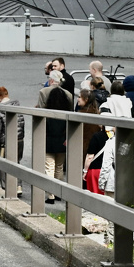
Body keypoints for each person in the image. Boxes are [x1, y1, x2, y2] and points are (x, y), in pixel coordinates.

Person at [35, 69, 73, 204]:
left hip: (49, 132)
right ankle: (58, 192)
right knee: (59, 166)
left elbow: (40, 112)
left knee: (49, 165)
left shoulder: (43, 92)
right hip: (63, 133)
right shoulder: (68, 94)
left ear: (51, 80)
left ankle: (50, 194)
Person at [98, 78, 134, 194]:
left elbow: (104, 123)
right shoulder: (129, 103)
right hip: (128, 137)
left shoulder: (106, 104)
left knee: (110, 163)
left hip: (111, 137)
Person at [77, 92, 106, 194]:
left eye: (79, 97)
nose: (77, 99)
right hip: (95, 147)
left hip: (83, 147)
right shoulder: (97, 114)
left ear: (86, 99)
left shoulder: (80, 115)